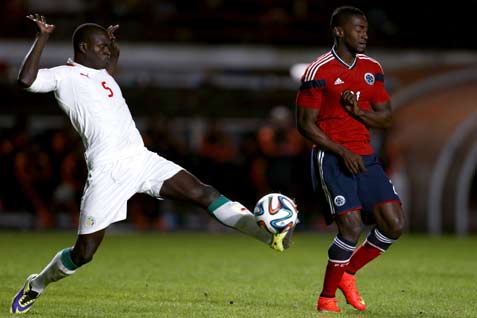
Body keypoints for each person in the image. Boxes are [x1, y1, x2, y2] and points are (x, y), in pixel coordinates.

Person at [10, 14, 294, 314]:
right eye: (101, 46)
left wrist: (111, 44)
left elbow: (111, 60)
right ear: (83, 47)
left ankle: (268, 236)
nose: (107, 51)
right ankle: (37, 284)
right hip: (108, 171)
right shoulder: (63, 75)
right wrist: (43, 36)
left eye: (108, 46)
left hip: (142, 159)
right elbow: (26, 81)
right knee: (84, 253)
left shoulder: (104, 75)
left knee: (203, 193)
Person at [295, 6, 404, 313]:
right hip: (331, 157)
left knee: (394, 225)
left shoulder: (372, 68)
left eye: (366, 29)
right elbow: (305, 124)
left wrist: (359, 113)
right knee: (351, 228)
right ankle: (326, 298)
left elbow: (387, 118)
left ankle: (348, 274)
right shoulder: (318, 71)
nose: (364, 34)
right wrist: (342, 151)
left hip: (366, 156)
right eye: (358, 29)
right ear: (339, 31)